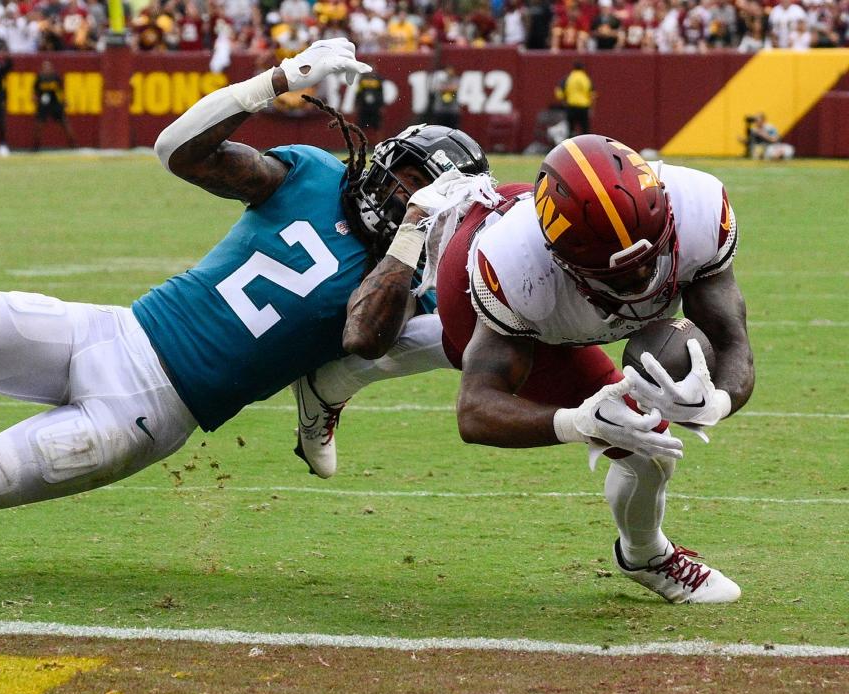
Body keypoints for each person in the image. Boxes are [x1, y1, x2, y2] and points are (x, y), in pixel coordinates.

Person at [0, 39, 487, 565]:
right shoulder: (311, 174)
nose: (407, 193)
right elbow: (176, 150)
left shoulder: (402, 283)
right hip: (111, 332)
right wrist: (274, 82)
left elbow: (365, 339)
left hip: (144, 417)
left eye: (428, 192)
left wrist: (413, 232)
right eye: (410, 176)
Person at [294, 135, 755, 605]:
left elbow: (733, 343)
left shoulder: (699, 209)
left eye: (650, 259)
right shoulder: (515, 268)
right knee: (643, 444)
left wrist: (714, 403)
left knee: (634, 409)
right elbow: (474, 411)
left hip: (538, 268)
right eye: (616, 276)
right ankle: (646, 556)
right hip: (477, 278)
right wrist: (577, 423)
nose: (640, 283)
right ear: (560, 257)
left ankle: (333, 380)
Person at [32, 60, 76, 151]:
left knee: (65, 123)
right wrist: (35, 98)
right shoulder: (39, 78)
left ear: (51, 68)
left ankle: (73, 144)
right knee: (38, 125)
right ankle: (36, 146)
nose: (47, 69)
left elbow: (61, 90)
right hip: (43, 104)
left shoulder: (55, 77)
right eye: (45, 67)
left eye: (48, 67)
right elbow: (35, 92)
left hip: (55, 103)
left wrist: (64, 100)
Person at [555, 62, 595, 137]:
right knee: (585, 131)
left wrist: (563, 101)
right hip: (584, 107)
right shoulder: (586, 79)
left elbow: (559, 91)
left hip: (571, 106)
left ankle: (571, 147)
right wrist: (591, 107)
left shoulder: (568, 78)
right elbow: (592, 94)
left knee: (570, 130)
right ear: (583, 68)